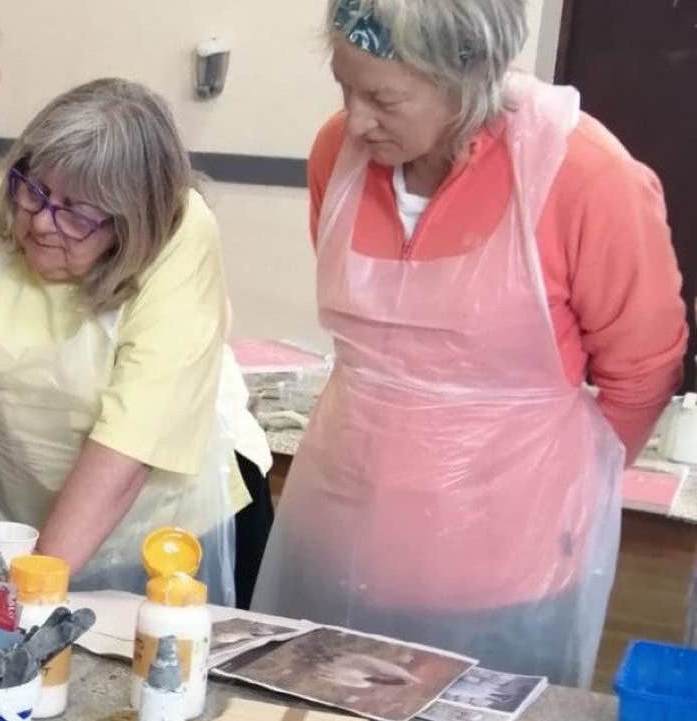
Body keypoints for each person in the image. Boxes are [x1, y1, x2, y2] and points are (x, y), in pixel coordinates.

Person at [253, 0, 687, 686]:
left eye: (382, 98)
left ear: (466, 77)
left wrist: (558, 490)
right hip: (333, 537)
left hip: (508, 572)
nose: (356, 120)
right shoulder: (337, 154)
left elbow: (644, 371)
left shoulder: (586, 176)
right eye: (344, 86)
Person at [0, 78, 271, 605]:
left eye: (77, 213)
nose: (42, 222)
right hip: (11, 524)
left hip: (155, 537)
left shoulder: (181, 237)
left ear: (133, 227)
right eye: (35, 191)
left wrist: (28, 583)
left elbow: (132, 441)